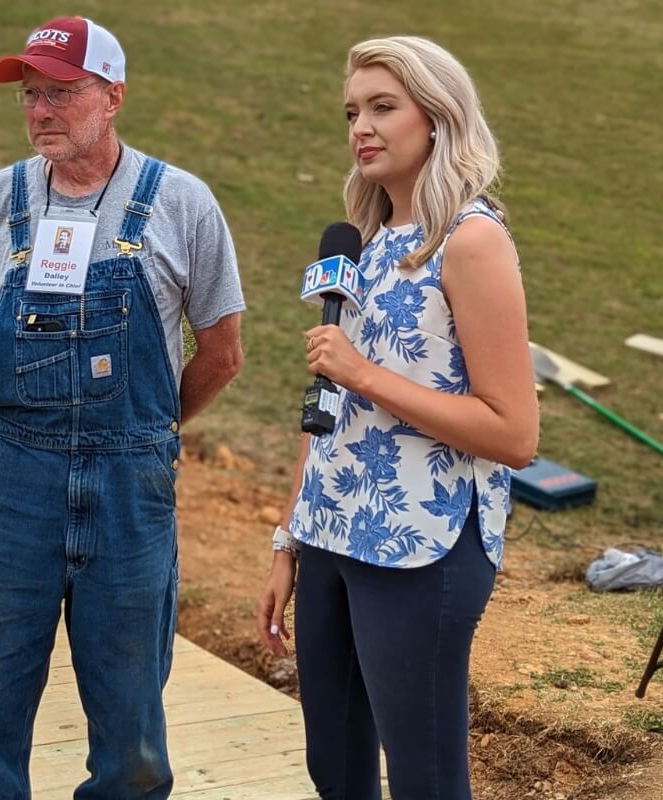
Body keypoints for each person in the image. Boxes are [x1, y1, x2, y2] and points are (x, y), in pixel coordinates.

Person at [0, 16, 245, 799]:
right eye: (31, 95)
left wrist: (143, 432)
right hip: (13, 485)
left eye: (62, 92)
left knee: (133, 735)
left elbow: (223, 352)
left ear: (113, 96)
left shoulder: (181, 203)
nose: (42, 110)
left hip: (129, 492)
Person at [256, 36, 538, 800]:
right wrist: (289, 537)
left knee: (425, 778)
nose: (361, 128)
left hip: (423, 546)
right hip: (329, 534)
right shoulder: (366, 244)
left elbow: (514, 433)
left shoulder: (472, 242)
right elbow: (330, 408)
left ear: (438, 118)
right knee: (336, 771)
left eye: (384, 107)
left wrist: (365, 373)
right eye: (352, 111)